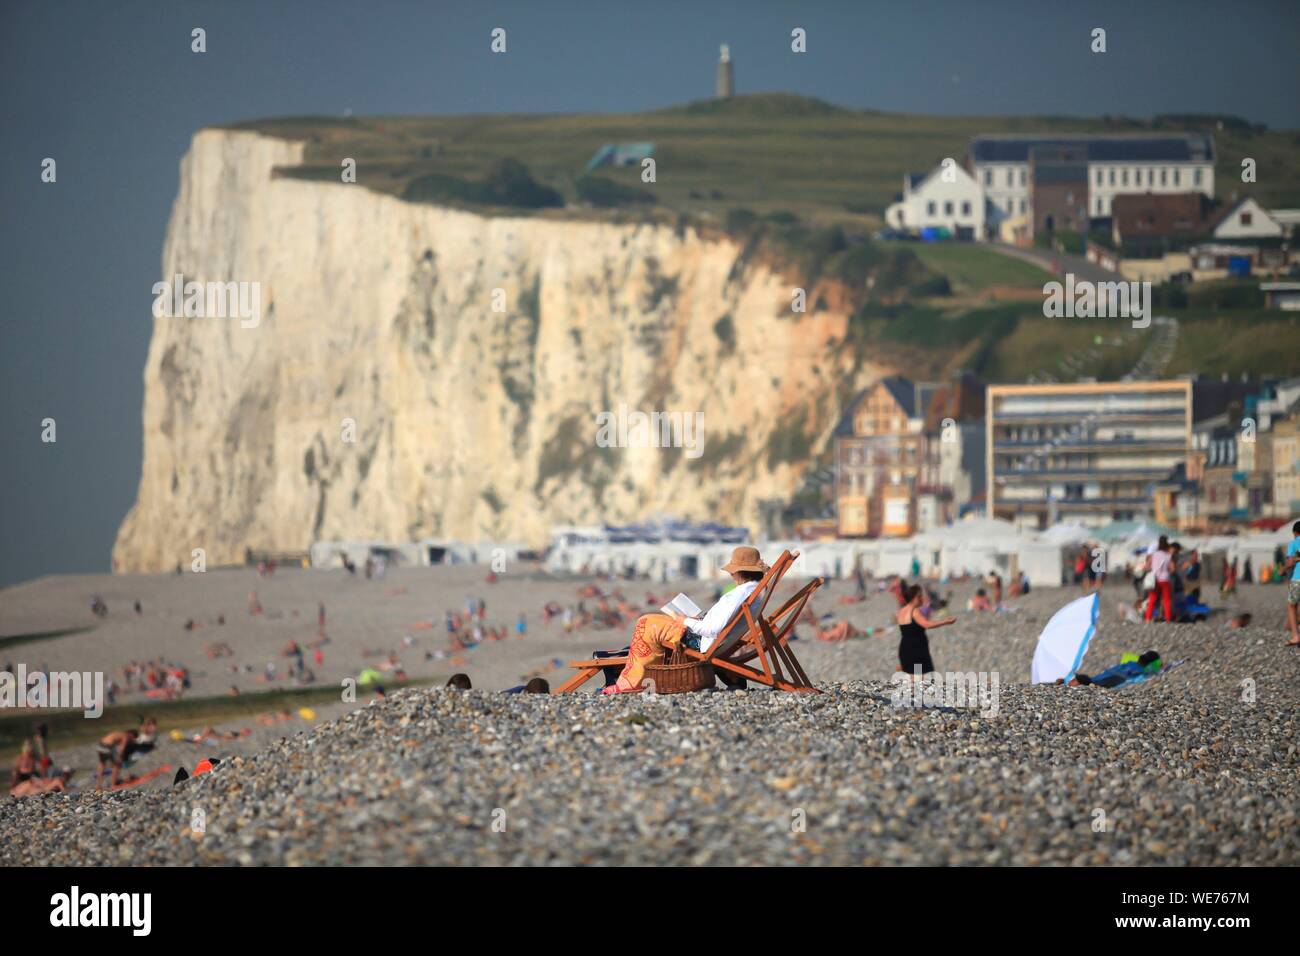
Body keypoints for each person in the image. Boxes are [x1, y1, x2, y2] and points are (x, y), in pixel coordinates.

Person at [603, 546, 767, 695]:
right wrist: (695, 619)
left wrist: (685, 621)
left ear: (739, 572)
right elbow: (719, 624)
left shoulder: (737, 595)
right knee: (654, 621)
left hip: (702, 642)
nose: (731, 574)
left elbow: (712, 630)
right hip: (715, 640)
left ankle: (633, 681)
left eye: (733, 570)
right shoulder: (754, 590)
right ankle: (641, 675)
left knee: (645, 622)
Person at [896, 584, 955, 676]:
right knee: (919, 679)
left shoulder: (901, 611)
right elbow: (926, 624)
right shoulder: (914, 611)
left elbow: (913, 626)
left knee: (911, 677)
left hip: (905, 648)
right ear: (912, 598)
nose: (922, 598)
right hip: (916, 650)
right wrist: (945, 622)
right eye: (919, 596)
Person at [95, 717, 158, 789]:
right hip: (107, 746)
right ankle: (113, 784)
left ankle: (98, 786)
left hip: (100, 745)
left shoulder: (119, 733)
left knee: (102, 765)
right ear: (132, 735)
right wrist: (120, 758)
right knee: (116, 765)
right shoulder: (126, 736)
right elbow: (122, 748)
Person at [1144, 536, 1173, 623]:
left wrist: (1151, 569)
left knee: (1152, 599)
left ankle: (1148, 618)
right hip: (1165, 579)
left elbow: (1147, 566)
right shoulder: (1168, 556)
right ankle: (1168, 619)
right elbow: (1172, 568)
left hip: (1155, 579)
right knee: (1167, 600)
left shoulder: (1153, 555)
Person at [1285, 521, 1300, 647]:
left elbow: (1290, 563)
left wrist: (1283, 569)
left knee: (1292, 605)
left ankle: (1296, 636)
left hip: (1297, 579)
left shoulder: (1293, 544)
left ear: (1295, 533)